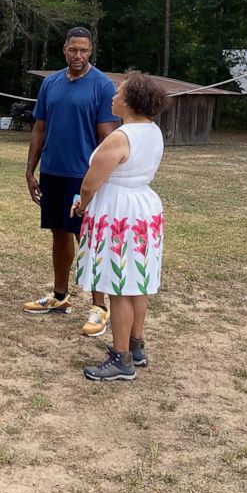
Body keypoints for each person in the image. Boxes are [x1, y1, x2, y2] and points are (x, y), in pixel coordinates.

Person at [72, 71, 168, 381]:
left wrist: (81, 204)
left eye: (118, 92)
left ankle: (121, 358)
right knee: (136, 281)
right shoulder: (153, 131)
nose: (113, 97)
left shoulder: (121, 137)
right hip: (143, 208)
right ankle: (136, 345)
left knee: (118, 285)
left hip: (119, 212)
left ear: (128, 101)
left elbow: (91, 183)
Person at [24, 26, 118, 335]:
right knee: (59, 234)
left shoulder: (102, 86)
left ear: (91, 51)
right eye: (73, 49)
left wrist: (102, 178)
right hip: (53, 172)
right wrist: (30, 169)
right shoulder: (51, 84)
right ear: (64, 49)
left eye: (84, 50)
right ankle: (60, 296)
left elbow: (108, 138)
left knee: (89, 239)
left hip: (84, 177)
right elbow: (39, 129)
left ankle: (99, 307)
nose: (78, 55)